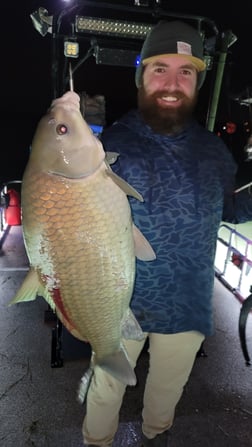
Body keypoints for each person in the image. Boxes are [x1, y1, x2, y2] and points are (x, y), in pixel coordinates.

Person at [82, 20, 252, 447]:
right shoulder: (107, 147)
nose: (173, 83)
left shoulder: (215, 152)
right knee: (105, 390)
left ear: (197, 82)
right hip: (123, 303)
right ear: (142, 75)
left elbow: (231, 207)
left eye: (186, 72)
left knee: (166, 395)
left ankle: (154, 437)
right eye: (161, 69)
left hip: (188, 302)